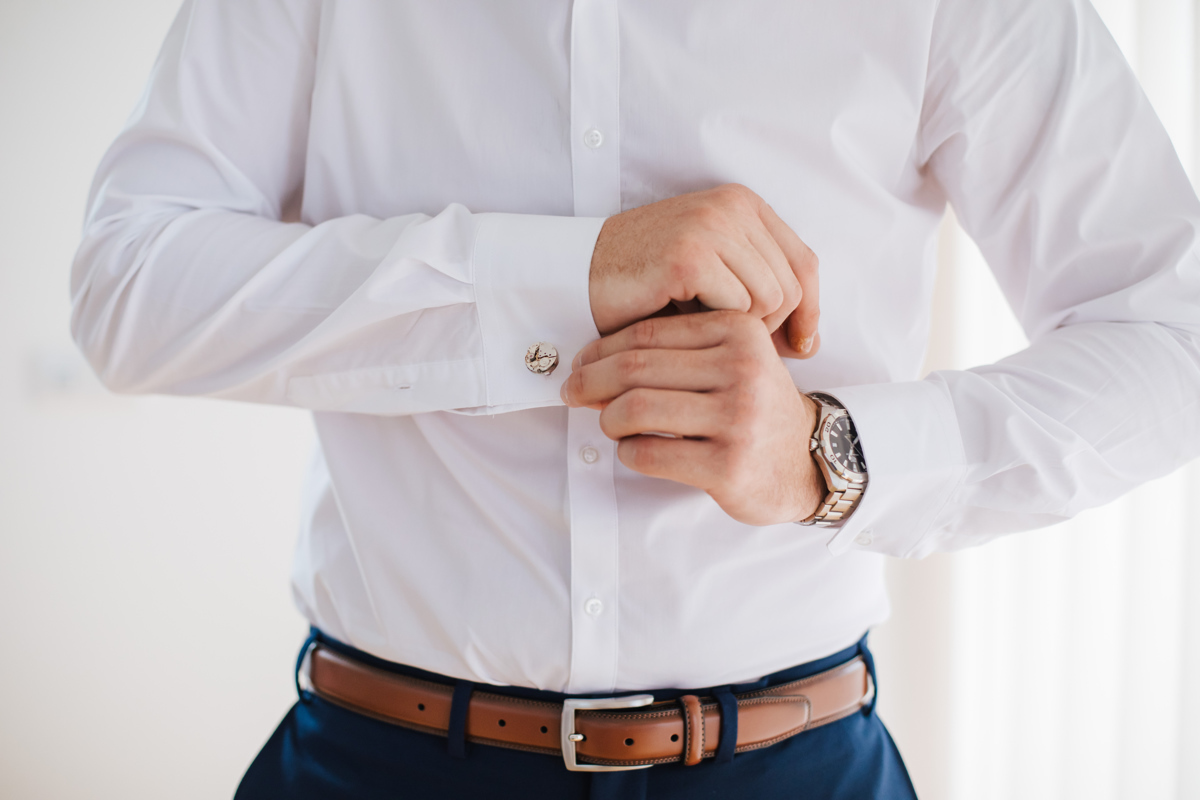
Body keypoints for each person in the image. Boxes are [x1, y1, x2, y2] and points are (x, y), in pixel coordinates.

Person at [70, 0, 1200, 798]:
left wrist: (830, 455)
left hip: (793, 766)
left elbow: (1169, 336)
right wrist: (567, 280)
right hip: (380, 757)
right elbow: (131, 282)